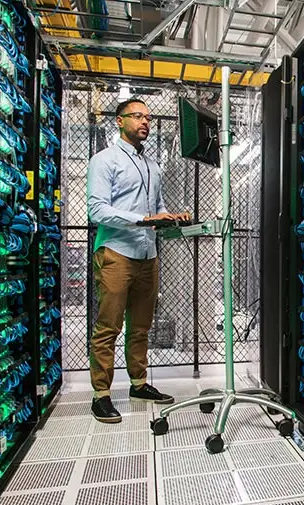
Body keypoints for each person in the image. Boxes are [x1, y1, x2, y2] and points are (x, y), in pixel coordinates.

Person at [86, 98, 190, 423]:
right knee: (108, 327)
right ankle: (101, 395)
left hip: (148, 254)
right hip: (117, 252)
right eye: (137, 116)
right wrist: (142, 219)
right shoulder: (104, 161)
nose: (144, 121)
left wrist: (171, 217)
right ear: (119, 121)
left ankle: (138, 384)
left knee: (141, 327)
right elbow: (96, 209)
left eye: (147, 117)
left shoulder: (152, 166)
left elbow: (156, 207)